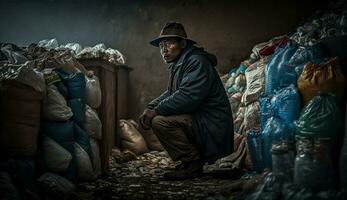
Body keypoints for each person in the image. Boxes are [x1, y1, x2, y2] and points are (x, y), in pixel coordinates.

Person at [139, 22, 233, 180]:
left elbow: (187, 97)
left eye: (169, 43)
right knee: (158, 115)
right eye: (162, 45)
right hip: (203, 120)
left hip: (212, 123)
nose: (164, 49)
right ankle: (189, 162)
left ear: (182, 44)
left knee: (160, 122)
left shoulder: (196, 61)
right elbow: (172, 93)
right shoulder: (181, 62)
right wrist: (151, 107)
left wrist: (155, 112)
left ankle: (193, 164)